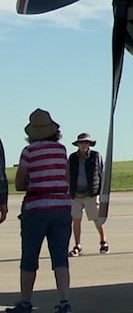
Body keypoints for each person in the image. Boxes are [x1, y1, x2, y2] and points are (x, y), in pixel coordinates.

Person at [9, 108, 73, 313]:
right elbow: (66, 179)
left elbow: (19, 183)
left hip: (36, 208)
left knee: (29, 256)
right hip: (61, 207)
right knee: (60, 257)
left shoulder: (28, 152)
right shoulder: (61, 150)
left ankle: (25, 301)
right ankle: (64, 301)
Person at [66, 133, 108, 256]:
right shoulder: (72, 158)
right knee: (76, 220)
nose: (84, 145)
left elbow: (101, 173)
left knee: (96, 218)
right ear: (78, 144)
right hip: (76, 193)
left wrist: (100, 191)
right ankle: (77, 245)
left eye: (86, 143)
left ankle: (103, 240)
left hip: (91, 193)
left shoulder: (96, 156)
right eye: (81, 143)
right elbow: (68, 173)